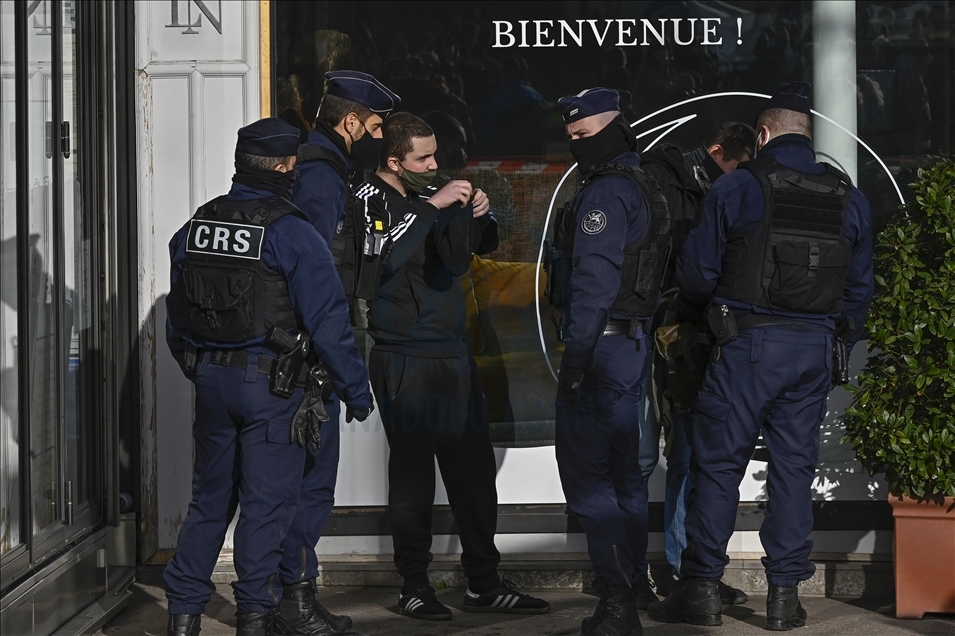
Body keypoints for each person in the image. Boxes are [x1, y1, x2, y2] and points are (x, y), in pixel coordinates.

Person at [647, 82, 873, 630]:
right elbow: (861, 288)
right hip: (813, 350)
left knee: (718, 466)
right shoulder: (848, 196)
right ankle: (783, 597)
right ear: (808, 135)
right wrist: (834, 332)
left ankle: (701, 588)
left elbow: (697, 276)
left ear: (763, 134)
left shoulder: (739, 188)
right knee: (794, 470)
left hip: (746, 346)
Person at [163, 118, 374, 636]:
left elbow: (177, 320)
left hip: (212, 383)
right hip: (273, 388)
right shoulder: (292, 232)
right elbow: (329, 322)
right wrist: (356, 390)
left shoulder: (196, 226)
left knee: (209, 501)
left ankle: (183, 617)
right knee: (267, 505)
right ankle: (254, 617)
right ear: (286, 166)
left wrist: (201, 368)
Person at [358, 112, 550, 622]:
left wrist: (479, 214)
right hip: (405, 355)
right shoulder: (367, 199)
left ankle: (483, 583)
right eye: (422, 158)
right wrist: (432, 208)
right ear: (394, 160)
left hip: (453, 354)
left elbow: (465, 253)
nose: (433, 165)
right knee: (413, 479)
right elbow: (376, 262)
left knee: (473, 475)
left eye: (435, 155)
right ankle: (414, 585)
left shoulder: (433, 191)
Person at [283, 70, 398, 635]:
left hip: (310, 352)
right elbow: (314, 282)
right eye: (374, 125)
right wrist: (341, 365)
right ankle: (294, 601)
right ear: (349, 121)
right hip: (311, 359)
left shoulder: (321, 169)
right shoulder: (322, 180)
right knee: (309, 486)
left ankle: (295, 595)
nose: (378, 135)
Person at [553, 87, 671, 636]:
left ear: (606, 128)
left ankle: (617, 600)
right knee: (625, 473)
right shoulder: (646, 180)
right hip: (632, 344)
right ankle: (633, 582)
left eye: (581, 136)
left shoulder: (605, 194)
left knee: (590, 478)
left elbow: (594, 283)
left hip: (601, 346)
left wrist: (576, 359)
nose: (576, 146)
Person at [638, 123, 756, 604]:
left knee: (688, 454)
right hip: (660, 335)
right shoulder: (665, 184)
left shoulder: (708, 189)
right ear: (716, 153)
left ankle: (685, 570)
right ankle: (647, 574)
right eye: (737, 167)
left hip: (691, 335)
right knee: (651, 457)